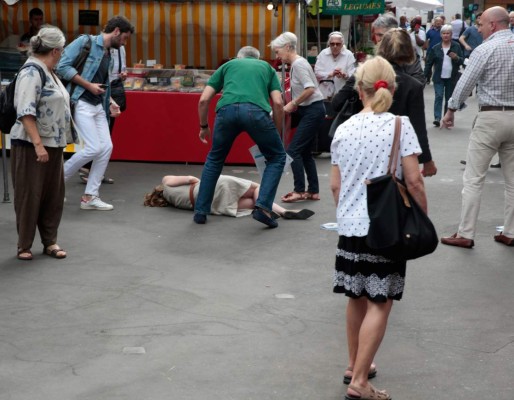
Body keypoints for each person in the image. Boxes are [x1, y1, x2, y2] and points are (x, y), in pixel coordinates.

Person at [330, 56, 427, 400]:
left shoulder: (343, 128)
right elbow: (414, 181)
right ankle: (359, 382)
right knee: (380, 301)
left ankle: (354, 364)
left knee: (356, 296)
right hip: (386, 227)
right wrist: (421, 220)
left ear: (359, 89)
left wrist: (345, 214)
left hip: (350, 227)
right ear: (392, 88)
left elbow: (336, 186)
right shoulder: (400, 125)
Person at [440, 6, 514, 248]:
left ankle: (466, 232)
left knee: (473, 178)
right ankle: (511, 231)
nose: (479, 28)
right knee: (513, 182)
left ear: (493, 24)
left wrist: (451, 109)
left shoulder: (485, 49)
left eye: (481, 23)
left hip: (490, 118)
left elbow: (465, 83)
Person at [194, 46, 286, 228]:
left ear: (238, 57)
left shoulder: (228, 66)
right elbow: (277, 102)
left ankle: (201, 211)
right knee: (277, 156)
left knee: (215, 158)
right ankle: (263, 207)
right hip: (256, 112)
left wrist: (204, 126)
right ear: (258, 58)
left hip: (226, 112)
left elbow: (204, 100)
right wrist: (275, 130)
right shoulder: (267, 68)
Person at [332, 18, 437, 178]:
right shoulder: (413, 86)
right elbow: (418, 127)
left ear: (380, 47)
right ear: (409, 52)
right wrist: (427, 161)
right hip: (397, 153)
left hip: (362, 147)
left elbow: (337, 102)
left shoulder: (364, 73)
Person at [56, 16, 134, 211]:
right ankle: (54, 184)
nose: (124, 42)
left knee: (106, 147)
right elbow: (62, 66)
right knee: (93, 148)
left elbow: (102, 81)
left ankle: (90, 196)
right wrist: (88, 85)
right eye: (124, 38)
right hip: (81, 101)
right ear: (116, 31)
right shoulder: (85, 42)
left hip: (98, 105)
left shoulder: (109, 52)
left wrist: (110, 102)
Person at [10, 26, 70, 260]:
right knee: (29, 195)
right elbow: (26, 111)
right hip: (31, 144)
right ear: (55, 50)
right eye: (62, 50)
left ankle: (50, 241)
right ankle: (24, 244)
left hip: (53, 143)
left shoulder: (49, 71)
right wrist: (38, 144)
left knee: (52, 195)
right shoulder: (32, 71)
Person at [270, 32, 325, 204]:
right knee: (304, 151)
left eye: (277, 51)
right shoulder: (297, 64)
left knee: (293, 151)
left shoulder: (298, 64)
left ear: (287, 47)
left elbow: (310, 88)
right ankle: (313, 191)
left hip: (311, 110)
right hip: (310, 110)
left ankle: (300, 190)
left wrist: (293, 103)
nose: (277, 56)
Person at [145, 175, 315, 221]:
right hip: (203, 189)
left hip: (206, 205)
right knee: (256, 188)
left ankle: (274, 211)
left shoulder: (173, 201)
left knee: (249, 204)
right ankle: (283, 211)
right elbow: (190, 179)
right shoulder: (166, 181)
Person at [79, 45, 128, 185]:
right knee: (98, 135)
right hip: (99, 90)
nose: (123, 41)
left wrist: (123, 74)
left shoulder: (120, 49)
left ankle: (95, 171)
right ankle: (85, 167)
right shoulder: (97, 47)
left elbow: (121, 69)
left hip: (112, 89)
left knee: (106, 134)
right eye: (124, 37)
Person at [424, 24, 463, 127]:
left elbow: (462, 61)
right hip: (438, 77)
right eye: (444, 33)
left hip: (451, 77)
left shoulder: (456, 46)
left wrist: (456, 58)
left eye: (448, 33)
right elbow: (429, 63)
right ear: (441, 35)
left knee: (449, 98)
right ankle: (437, 117)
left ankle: (446, 117)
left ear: (451, 35)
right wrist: (424, 76)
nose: (446, 35)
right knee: (439, 96)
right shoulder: (435, 48)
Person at [314, 31, 356, 100]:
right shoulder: (323, 54)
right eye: (332, 44)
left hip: (342, 94)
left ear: (342, 44)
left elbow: (353, 75)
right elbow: (317, 73)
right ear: (329, 44)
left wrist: (344, 75)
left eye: (338, 44)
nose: (335, 46)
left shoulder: (349, 55)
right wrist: (330, 74)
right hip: (324, 94)